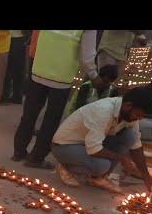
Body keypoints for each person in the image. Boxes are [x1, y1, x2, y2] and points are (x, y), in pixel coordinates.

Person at [13, 30, 101, 169]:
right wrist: (94, 75)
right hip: (62, 77)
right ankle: (36, 157)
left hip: (39, 69)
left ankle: (18, 151)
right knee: (51, 120)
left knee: (29, 113)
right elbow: (87, 56)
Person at [51, 86, 152, 194]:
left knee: (130, 136)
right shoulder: (103, 110)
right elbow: (94, 149)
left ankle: (98, 178)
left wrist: (147, 177)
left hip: (88, 143)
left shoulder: (130, 113)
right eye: (138, 115)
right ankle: (66, 166)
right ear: (128, 106)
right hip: (64, 146)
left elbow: (136, 146)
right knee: (102, 165)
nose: (139, 119)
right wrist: (122, 159)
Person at [2, 30, 30, 104]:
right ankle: (6, 95)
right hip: (6, 36)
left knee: (17, 69)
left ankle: (16, 95)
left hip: (19, 38)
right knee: (6, 68)